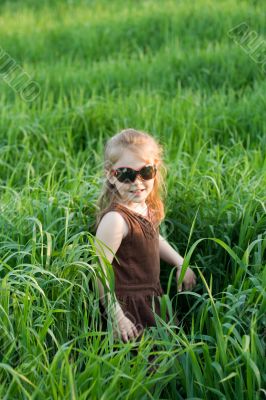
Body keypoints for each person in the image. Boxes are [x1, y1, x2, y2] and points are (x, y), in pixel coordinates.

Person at [94, 128, 196, 344]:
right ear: (111, 176)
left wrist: (180, 262)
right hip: (129, 308)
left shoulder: (143, 207)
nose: (137, 182)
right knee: (141, 368)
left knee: (169, 361)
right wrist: (116, 316)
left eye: (146, 172)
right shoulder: (115, 220)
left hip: (152, 299)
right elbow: (99, 270)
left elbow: (153, 238)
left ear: (156, 170)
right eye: (126, 174)